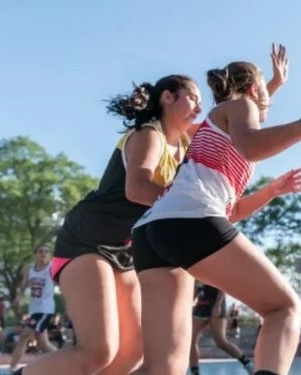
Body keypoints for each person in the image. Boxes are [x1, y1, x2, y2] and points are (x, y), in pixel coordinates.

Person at [130, 44, 301, 375]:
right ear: (254, 90)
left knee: (162, 369)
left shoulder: (226, 127)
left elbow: (233, 211)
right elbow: (252, 142)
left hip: (153, 229)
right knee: (284, 309)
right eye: (264, 94)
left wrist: (272, 190)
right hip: (188, 219)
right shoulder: (240, 106)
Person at [13, 74, 203, 375]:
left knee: (131, 354)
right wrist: (188, 207)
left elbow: (230, 124)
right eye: (192, 97)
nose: (199, 106)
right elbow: (137, 188)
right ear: (168, 97)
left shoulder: (187, 141)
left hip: (123, 251)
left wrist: (267, 89)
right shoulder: (149, 134)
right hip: (86, 241)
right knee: (98, 351)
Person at [9, 245, 58, 371]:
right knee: (43, 343)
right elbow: (24, 284)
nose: (43, 254)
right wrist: (18, 297)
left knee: (24, 336)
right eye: (41, 251)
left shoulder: (51, 267)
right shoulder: (30, 269)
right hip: (34, 309)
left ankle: (11, 369)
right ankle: (65, 362)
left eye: (46, 252)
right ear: (35, 254)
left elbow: (61, 281)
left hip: (45, 309)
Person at [189, 283, 253, 375]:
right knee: (191, 340)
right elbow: (195, 291)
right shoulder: (194, 275)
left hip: (215, 306)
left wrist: (218, 305)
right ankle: (195, 372)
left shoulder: (211, 271)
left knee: (220, 341)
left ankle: (246, 363)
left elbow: (222, 286)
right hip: (201, 307)